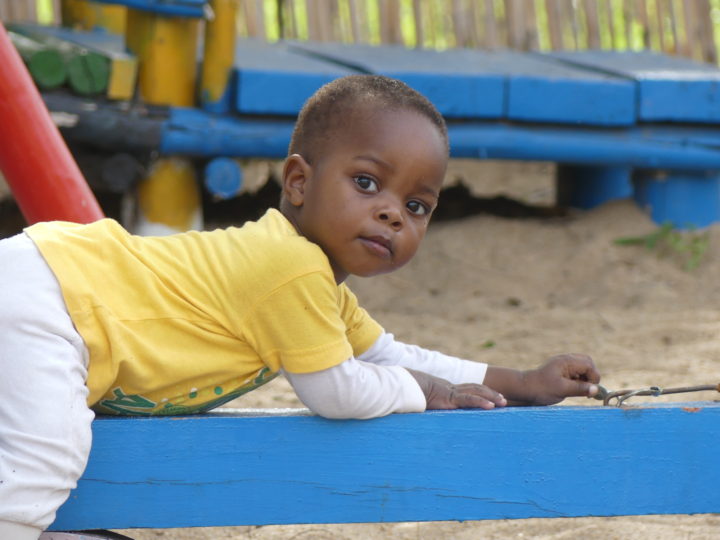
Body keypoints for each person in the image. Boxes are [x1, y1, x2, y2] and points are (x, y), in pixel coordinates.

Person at [0, 75, 601, 539]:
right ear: (298, 182)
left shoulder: (319, 287)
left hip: (56, 295)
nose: (393, 212)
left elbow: (390, 354)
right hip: (56, 301)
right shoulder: (289, 269)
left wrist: (520, 382)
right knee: (48, 456)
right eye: (367, 183)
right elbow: (337, 391)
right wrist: (422, 392)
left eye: (417, 206)